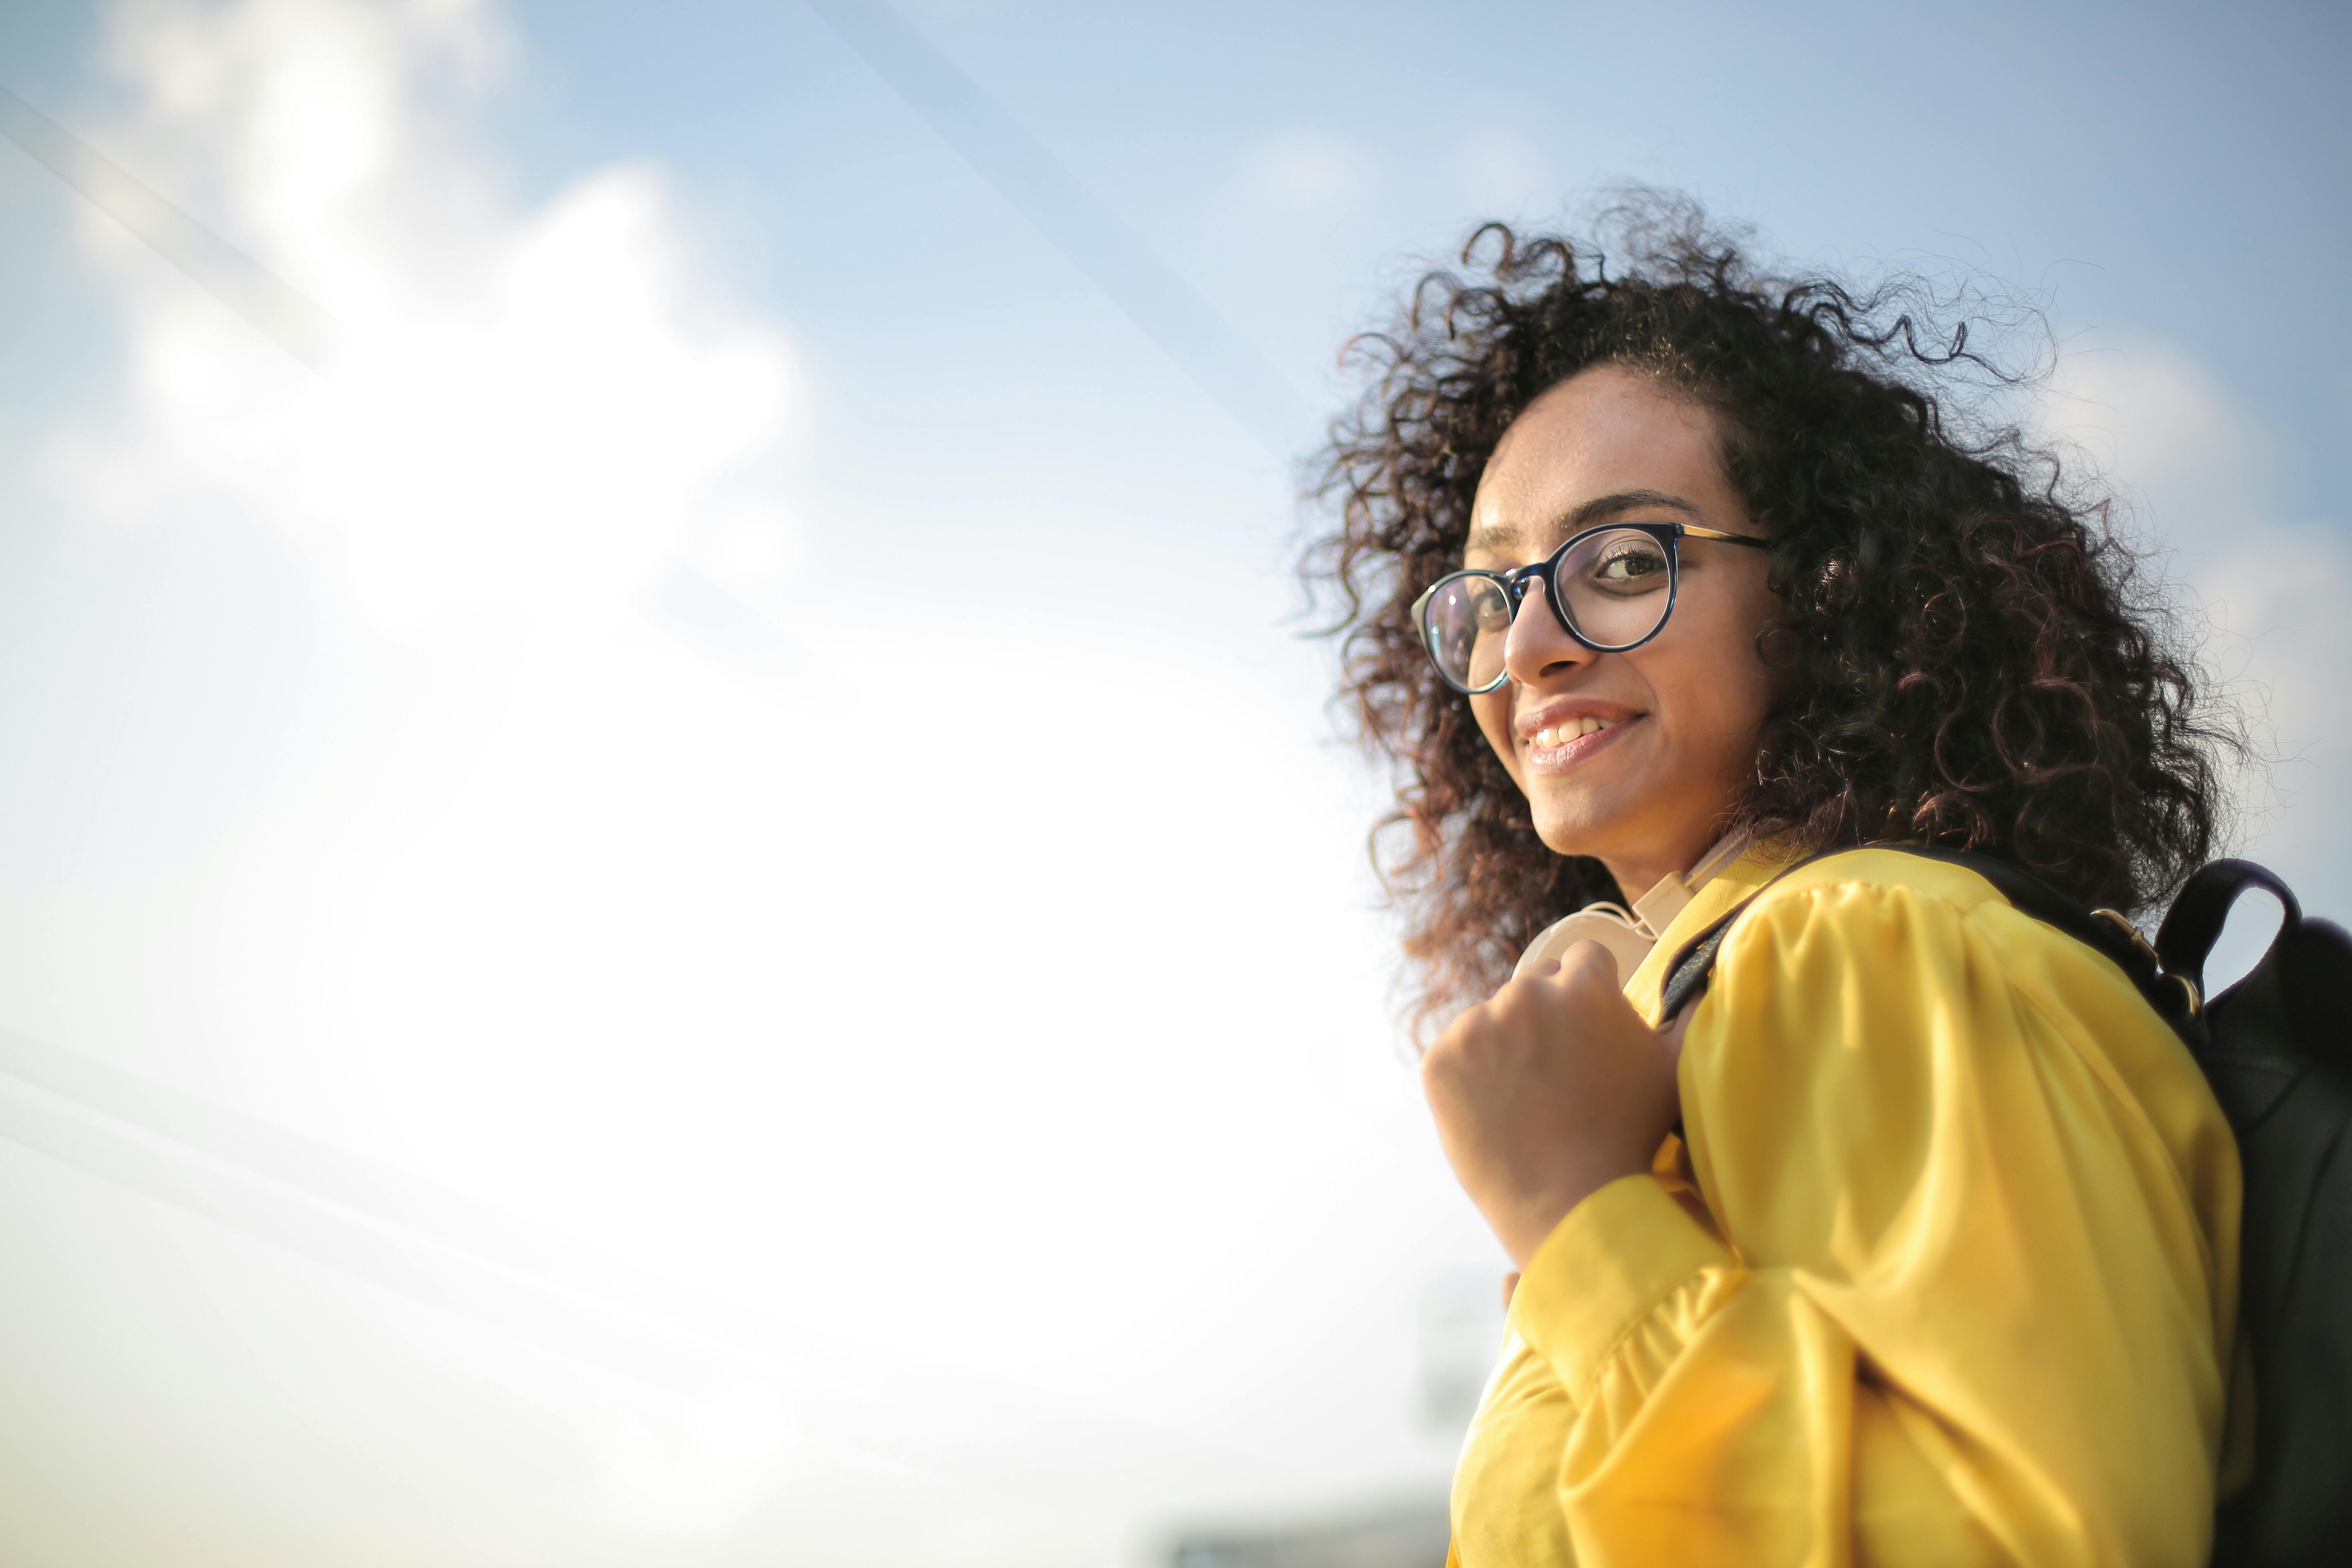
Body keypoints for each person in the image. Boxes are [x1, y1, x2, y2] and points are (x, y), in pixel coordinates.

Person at [1304, 200, 2247, 1566]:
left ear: (1820, 593)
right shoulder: (1720, 1010)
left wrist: (1579, 1222)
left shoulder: (1865, 945)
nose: (1537, 648)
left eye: (1624, 563)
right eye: (1492, 596)